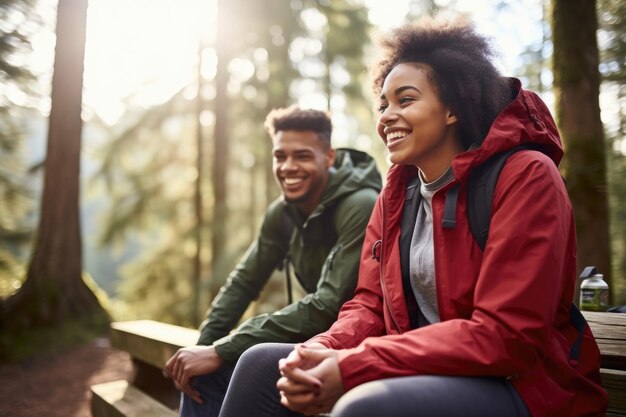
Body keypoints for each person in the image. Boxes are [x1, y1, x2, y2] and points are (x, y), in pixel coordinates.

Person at [215, 17, 608, 417]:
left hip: (523, 387)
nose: (386, 116)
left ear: (453, 107)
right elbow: (368, 305)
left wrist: (355, 365)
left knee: (364, 407)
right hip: (420, 369)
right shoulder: (395, 197)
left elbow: (506, 337)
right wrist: (324, 348)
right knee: (259, 365)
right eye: (383, 104)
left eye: (406, 100)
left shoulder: (525, 176)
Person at [165, 106, 382, 417]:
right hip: (318, 340)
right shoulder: (282, 213)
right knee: (205, 374)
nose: (288, 167)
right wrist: (206, 346)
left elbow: (327, 304)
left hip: (359, 340)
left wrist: (221, 350)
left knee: (248, 360)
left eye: (302, 156)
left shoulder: (360, 205)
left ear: (329, 157)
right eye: (280, 156)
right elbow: (243, 282)